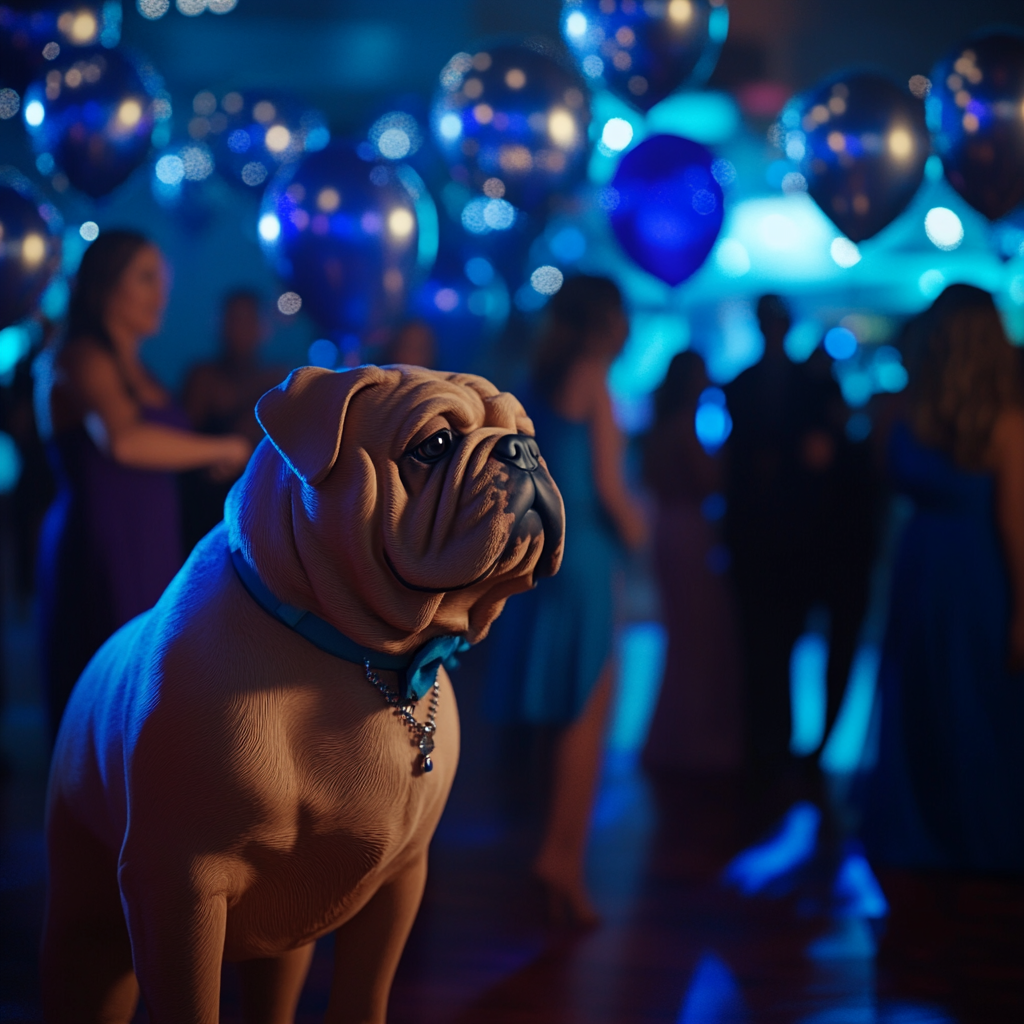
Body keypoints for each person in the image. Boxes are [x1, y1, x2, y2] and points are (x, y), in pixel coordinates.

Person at [35, 230, 252, 738]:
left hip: (149, 538)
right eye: (147, 278)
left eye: (164, 281)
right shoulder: (82, 356)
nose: (161, 294)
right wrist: (222, 449)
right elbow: (125, 441)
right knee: (106, 696)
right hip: (103, 542)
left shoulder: (139, 366)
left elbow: (157, 446)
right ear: (105, 284)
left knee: (150, 692)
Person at [485, 275, 647, 926]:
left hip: (545, 555)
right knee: (587, 710)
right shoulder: (594, 381)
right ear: (606, 320)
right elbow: (609, 488)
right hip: (585, 558)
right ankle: (562, 857)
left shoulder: (536, 377)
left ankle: (554, 853)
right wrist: (643, 535)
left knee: (560, 708)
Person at [864, 285, 1024, 873]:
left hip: (921, 567)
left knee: (925, 702)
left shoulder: (902, 412)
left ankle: (924, 830)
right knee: (978, 710)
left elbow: (885, 482)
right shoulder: (1006, 424)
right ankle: (977, 834)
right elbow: (1016, 527)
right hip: (978, 573)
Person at [642, 351, 743, 774]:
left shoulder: (658, 428)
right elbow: (710, 479)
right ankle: (692, 742)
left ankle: (672, 738)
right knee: (698, 636)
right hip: (689, 531)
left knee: (682, 635)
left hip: (667, 527)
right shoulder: (684, 426)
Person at [180, 289, 285, 551]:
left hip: (263, 511)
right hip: (206, 508)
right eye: (234, 319)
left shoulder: (278, 379)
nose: (241, 328)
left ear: (263, 328)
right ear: (220, 325)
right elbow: (183, 445)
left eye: (249, 320)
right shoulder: (203, 378)